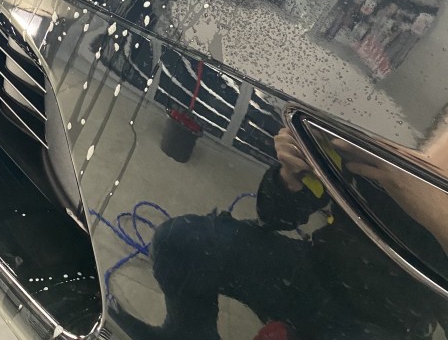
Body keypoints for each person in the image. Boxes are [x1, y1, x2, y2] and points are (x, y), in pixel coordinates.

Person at [115, 128, 448, 340]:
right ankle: (185, 333)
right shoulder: (398, 140)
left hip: (388, 323)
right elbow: (275, 217)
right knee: (181, 241)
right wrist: (290, 175)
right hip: (312, 270)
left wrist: (438, 218)